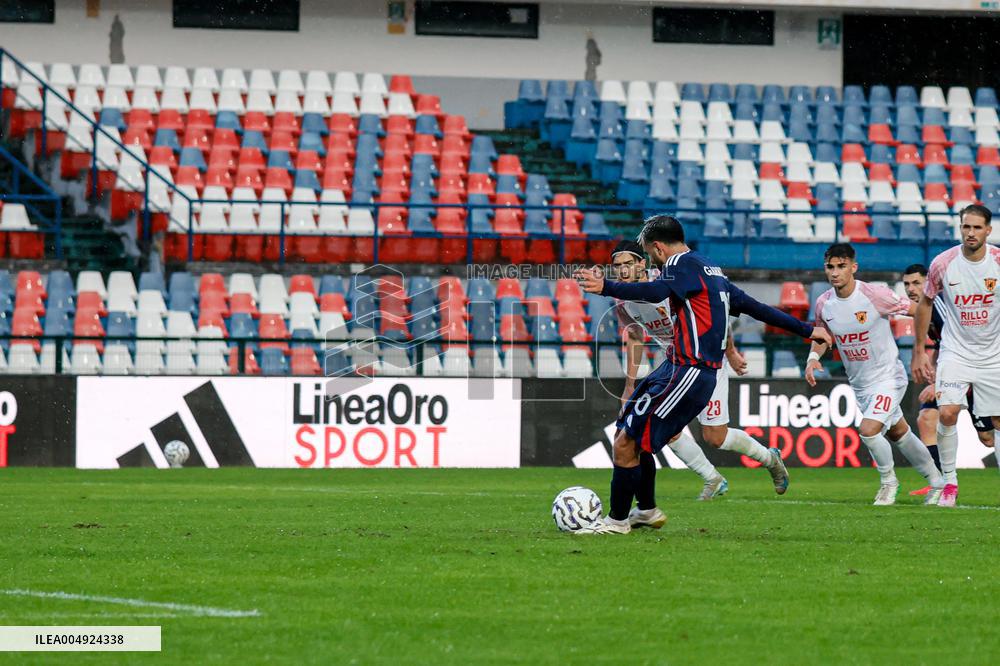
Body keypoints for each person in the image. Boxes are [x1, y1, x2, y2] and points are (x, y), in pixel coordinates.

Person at [573, 215, 832, 534]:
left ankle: (618, 521)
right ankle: (647, 510)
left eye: (645, 255)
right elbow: (755, 307)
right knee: (628, 434)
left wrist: (605, 287)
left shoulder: (677, 267)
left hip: (691, 369)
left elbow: (657, 293)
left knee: (639, 440)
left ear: (656, 249)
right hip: (675, 365)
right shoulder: (709, 268)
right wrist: (808, 329)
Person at [609, 240, 789, 516]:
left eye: (628, 264)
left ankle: (769, 458)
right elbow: (634, 337)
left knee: (715, 436)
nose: (622, 270)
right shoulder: (623, 300)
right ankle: (711, 478)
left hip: (705, 361)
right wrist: (630, 384)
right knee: (663, 430)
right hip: (674, 364)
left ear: (642, 263)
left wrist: (730, 352)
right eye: (617, 266)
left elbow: (713, 311)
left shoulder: (668, 284)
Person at [805, 245, 944, 505]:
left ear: (853, 267)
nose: (835, 273)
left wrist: (928, 346)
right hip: (861, 384)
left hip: (889, 377)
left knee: (868, 430)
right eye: (830, 267)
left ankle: (889, 483)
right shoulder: (824, 303)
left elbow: (920, 310)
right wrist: (813, 358)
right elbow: (822, 335)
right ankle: (938, 482)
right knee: (899, 432)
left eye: (841, 266)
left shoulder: (874, 295)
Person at [912, 204, 1000, 506]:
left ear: (988, 230)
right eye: (966, 227)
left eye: (977, 228)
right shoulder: (942, 263)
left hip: (994, 354)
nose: (970, 233)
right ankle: (949, 483)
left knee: (997, 423)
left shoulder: (999, 262)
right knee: (947, 412)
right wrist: (920, 350)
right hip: (956, 352)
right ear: (960, 228)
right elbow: (925, 304)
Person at [901, 265, 997, 493]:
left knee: (987, 437)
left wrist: (938, 382)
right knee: (926, 418)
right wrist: (932, 366)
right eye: (906, 284)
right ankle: (940, 483)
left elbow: (957, 343)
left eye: (916, 283)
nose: (911, 289)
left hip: (977, 367)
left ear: (929, 283)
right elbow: (943, 344)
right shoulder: (925, 310)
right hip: (956, 368)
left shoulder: (941, 304)